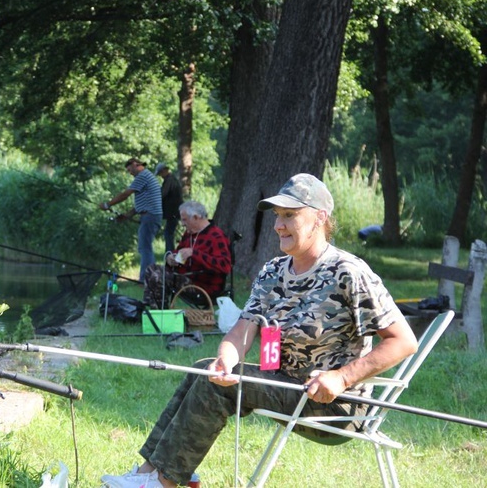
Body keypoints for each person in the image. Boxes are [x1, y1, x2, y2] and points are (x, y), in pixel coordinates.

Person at [101, 173, 419, 488]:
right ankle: (150, 472)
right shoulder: (273, 271)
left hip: (334, 405)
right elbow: (244, 328)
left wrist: (342, 377)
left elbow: (403, 342)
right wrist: (225, 359)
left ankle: (165, 482)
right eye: (278, 216)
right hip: (286, 387)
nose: (279, 225)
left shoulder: (348, 272)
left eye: (290, 215)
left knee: (218, 387)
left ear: (320, 217)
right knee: (206, 372)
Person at [142, 201, 231, 308]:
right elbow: (179, 252)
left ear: (196, 217)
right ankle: (149, 309)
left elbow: (225, 266)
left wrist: (195, 253)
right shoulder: (189, 234)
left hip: (204, 286)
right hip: (185, 278)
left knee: (159, 276)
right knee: (150, 269)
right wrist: (171, 258)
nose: (182, 223)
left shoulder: (216, 236)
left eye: (184, 220)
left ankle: (160, 312)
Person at [100, 158, 163, 281]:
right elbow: (141, 205)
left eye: (130, 170)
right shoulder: (146, 176)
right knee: (145, 247)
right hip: (150, 216)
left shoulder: (142, 176)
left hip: (150, 217)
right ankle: (150, 277)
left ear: (136, 165)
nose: (130, 173)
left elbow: (125, 194)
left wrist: (108, 204)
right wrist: (126, 216)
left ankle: (147, 278)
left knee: (145, 248)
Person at [154, 163, 184, 253]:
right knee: (169, 232)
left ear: (164, 170)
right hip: (173, 212)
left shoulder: (169, 180)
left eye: (160, 173)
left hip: (173, 212)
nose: (160, 176)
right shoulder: (171, 180)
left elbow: (162, 194)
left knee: (168, 233)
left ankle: (169, 253)